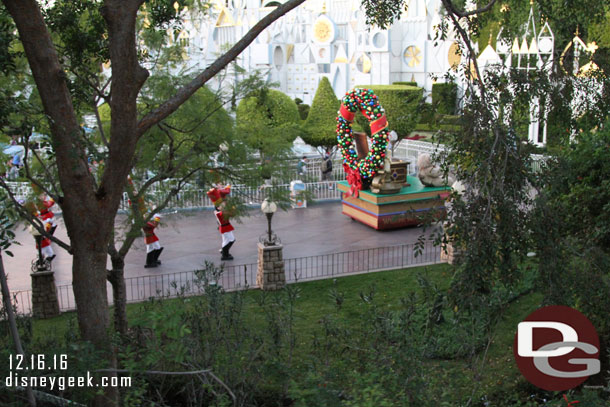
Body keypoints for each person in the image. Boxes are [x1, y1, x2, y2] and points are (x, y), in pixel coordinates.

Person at [207, 185, 235, 261]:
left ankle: (225, 252)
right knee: (231, 240)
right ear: (219, 207)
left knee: (226, 241)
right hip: (225, 227)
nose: (224, 205)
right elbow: (231, 213)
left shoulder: (220, 212)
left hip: (225, 227)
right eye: (223, 205)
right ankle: (224, 253)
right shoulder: (221, 213)